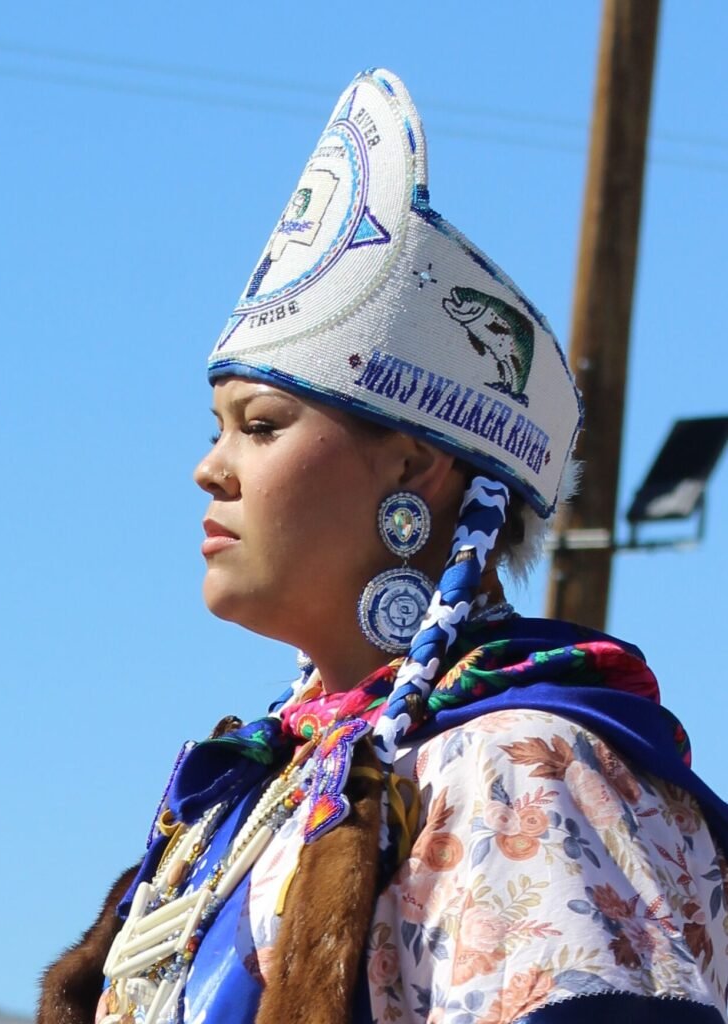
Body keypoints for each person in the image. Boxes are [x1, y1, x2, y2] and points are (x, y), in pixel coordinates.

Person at [38, 68, 728, 1024]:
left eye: (261, 425)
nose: (210, 469)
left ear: (412, 466)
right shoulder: (248, 801)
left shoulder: (523, 768)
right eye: (215, 429)